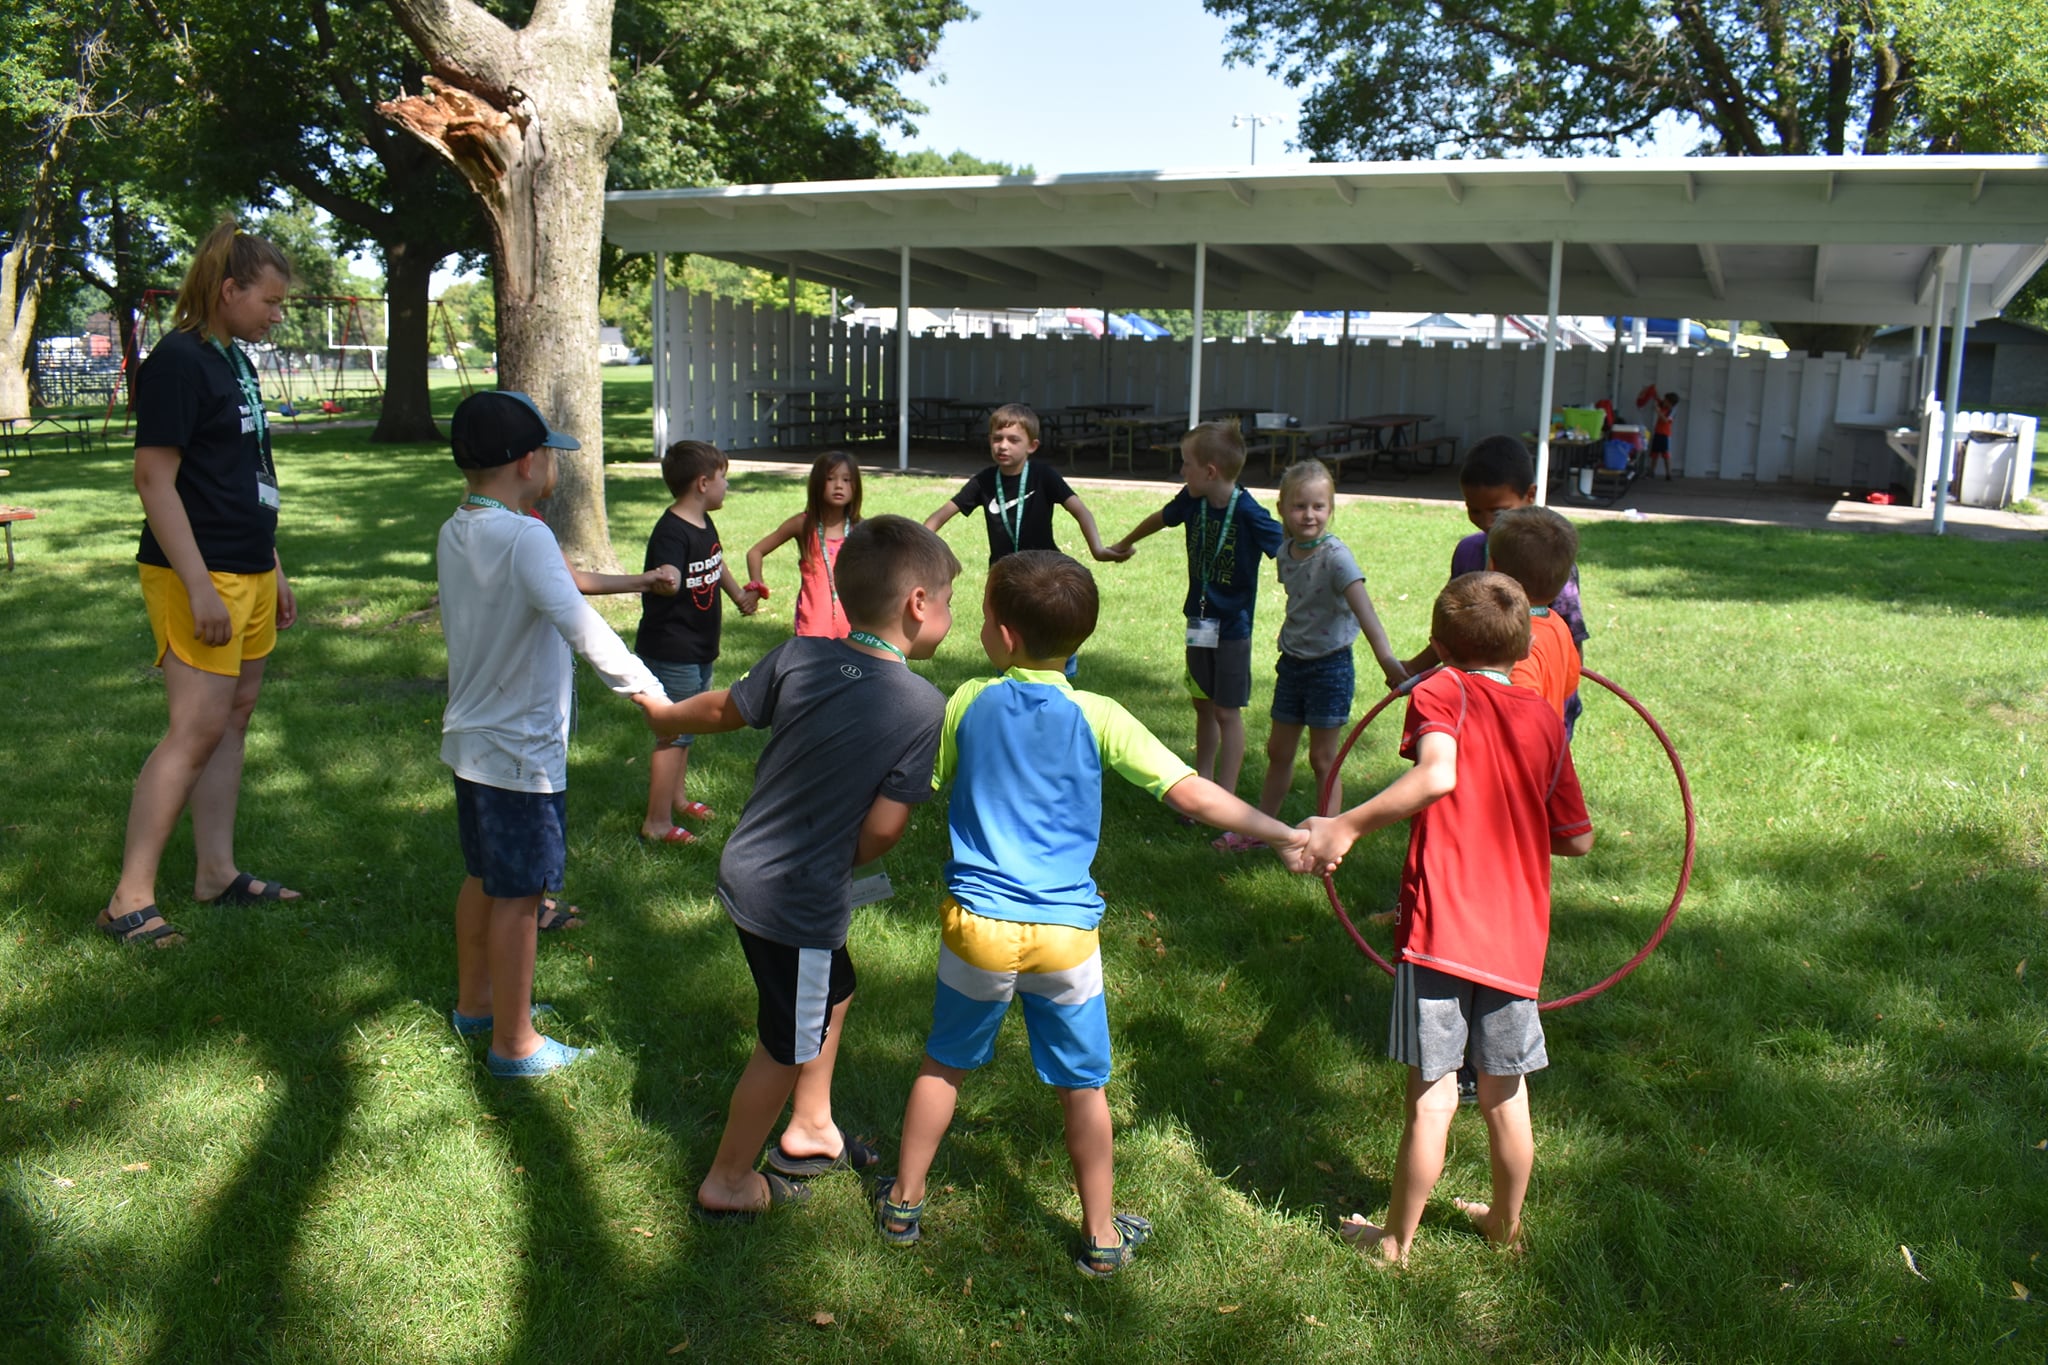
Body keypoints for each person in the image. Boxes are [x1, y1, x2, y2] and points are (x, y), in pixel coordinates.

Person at [873, 551, 1310, 1275]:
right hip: (1066, 938)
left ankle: (903, 1202)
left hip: (978, 929)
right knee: (1084, 1084)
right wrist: (1282, 830)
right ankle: (1102, 1234)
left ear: (1004, 636)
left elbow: (916, 782)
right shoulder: (1097, 713)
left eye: (984, 617)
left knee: (944, 1062)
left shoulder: (966, 702)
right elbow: (1190, 792)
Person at [645, 515, 959, 1220]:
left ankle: (812, 1125)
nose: (948, 616)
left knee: (833, 987)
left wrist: (667, 716)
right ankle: (728, 1178)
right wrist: (833, 857)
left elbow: (726, 707)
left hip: (747, 867)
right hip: (799, 895)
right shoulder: (921, 705)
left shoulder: (799, 655)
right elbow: (883, 829)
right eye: (946, 602)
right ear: (917, 604)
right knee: (787, 1040)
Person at [1303, 571, 1594, 1265]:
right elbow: (1578, 836)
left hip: (1441, 931)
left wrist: (1346, 824)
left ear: (1436, 645)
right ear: (1525, 645)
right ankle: (1504, 1223)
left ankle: (1395, 1241)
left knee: (1432, 1098)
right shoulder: (1545, 717)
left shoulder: (1440, 690)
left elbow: (1438, 774)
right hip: (1516, 937)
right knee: (1504, 1093)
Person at [437, 390, 670, 1078]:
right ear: (528, 462)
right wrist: (651, 695)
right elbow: (583, 628)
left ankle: (474, 1004)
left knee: (483, 876)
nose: (555, 468)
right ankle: (515, 1044)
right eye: (551, 456)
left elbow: (553, 602)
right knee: (519, 897)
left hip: (471, 741)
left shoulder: (460, 526)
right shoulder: (526, 535)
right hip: (521, 753)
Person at [99, 222, 298, 948]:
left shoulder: (232, 359)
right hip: (198, 573)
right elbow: (155, 479)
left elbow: (242, 472)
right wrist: (201, 586)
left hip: (246, 566)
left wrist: (271, 562)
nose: (277, 314)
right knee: (194, 730)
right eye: (269, 301)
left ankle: (216, 871)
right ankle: (129, 898)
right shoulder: (179, 362)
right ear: (228, 290)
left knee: (232, 718)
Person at [1221, 459, 1406, 851]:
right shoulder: (1286, 553)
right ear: (1283, 510)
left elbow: (1364, 610)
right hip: (1292, 664)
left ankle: (1328, 838)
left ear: (1331, 509)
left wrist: (1387, 660)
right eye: (1299, 506)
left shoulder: (1337, 558)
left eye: (1318, 506)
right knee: (1278, 751)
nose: (1309, 515)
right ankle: (1261, 828)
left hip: (1330, 667)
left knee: (1324, 759)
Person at [1106, 421, 1284, 801]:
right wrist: (1125, 543)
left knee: (1226, 711)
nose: (1182, 470)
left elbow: (1287, 551)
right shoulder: (1193, 500)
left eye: (1186, 463)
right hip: (1199, 620)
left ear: (1210, 471)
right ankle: (1202, 785)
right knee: (1202, 702)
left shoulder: (1249, 512)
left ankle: (1227, 796)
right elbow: (1161, 518)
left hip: (1233, 628)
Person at [1402, 436, 1589, 737]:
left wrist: (1560, 705)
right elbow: (1453, 629)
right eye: (1474, 510)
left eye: (1498, 511)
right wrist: (1415, 668)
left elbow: (1571, 644)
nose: (1486, 522)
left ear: (1530, 495)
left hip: (1536, 711)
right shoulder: (1468, 552)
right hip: (1473, 702)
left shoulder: (1551, 560)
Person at [635, 439, 759, 846]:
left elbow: (715, 561)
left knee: (685, 728)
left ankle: (677, 798)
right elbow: (667, 571)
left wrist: (739, 593)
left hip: (699, 646)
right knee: (674, 732)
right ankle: (656, 821)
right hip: (672, 648)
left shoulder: (703, 522)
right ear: (703, 483)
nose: (727, 485)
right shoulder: (671, 531)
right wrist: (668, 578)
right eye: (724, 478)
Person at [923, 403, 1128, 566]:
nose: (1003, 446)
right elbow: (939, 516)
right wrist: (916, 548)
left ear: (1032, 446)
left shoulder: (1043, 476)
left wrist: (1097, 550)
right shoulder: (983, 481)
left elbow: (1080, 511)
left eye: (1013, 440)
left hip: (1043, 570)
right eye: (997, 439)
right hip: (1002, 571)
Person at [744, 450, 862, 638]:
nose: (839, 486)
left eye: (847, 480)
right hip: (812, 629)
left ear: (856, 486)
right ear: (817, 483)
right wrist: (756, 586)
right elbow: (755, 552)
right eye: (830, 479)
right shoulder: (803, 524)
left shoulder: (861, 529)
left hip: (853, 627)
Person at [1486, 506, 1583, 722]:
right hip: (1549, 748)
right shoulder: (1558, 625)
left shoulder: (1511, 640)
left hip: (1521, 754)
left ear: (1491, 567)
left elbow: (1520, 715)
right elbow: (1569, 684)